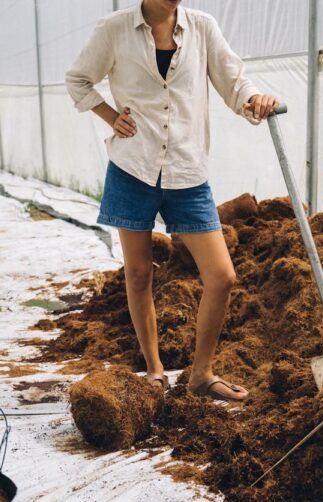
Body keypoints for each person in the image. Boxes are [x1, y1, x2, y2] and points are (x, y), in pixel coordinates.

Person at [65, 0, 279, 401]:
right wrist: (111, 117)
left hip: (186, 169)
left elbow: (234, 82)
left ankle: (201, 374)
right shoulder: (113, 29)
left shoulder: (202, 27)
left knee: (222, 276)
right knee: (139, 274)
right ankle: (154, 370)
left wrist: (255, 99)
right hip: (133, 167)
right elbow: (78, 79)